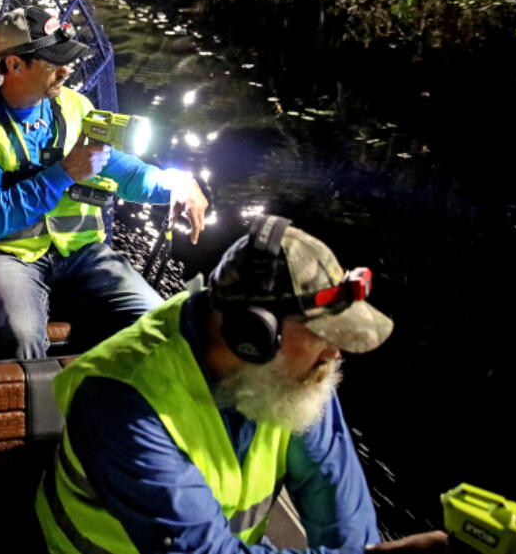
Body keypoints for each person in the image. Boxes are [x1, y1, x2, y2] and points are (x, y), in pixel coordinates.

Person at [36, 215, 450, 554]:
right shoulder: (122, 403)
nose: (336, 352)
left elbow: (340, 508)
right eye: (324, 333)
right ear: (254, 333)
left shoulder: (298, 376)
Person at [0, 5, 209, 359]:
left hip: (81, 253)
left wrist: (176, 183)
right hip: (10, 256)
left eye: (68, 58)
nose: (67, 70)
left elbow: (123, 171)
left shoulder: (76, 107)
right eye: (54, 62)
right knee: (21, 335)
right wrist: (63, 173)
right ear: (14, 65)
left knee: (156, 321)